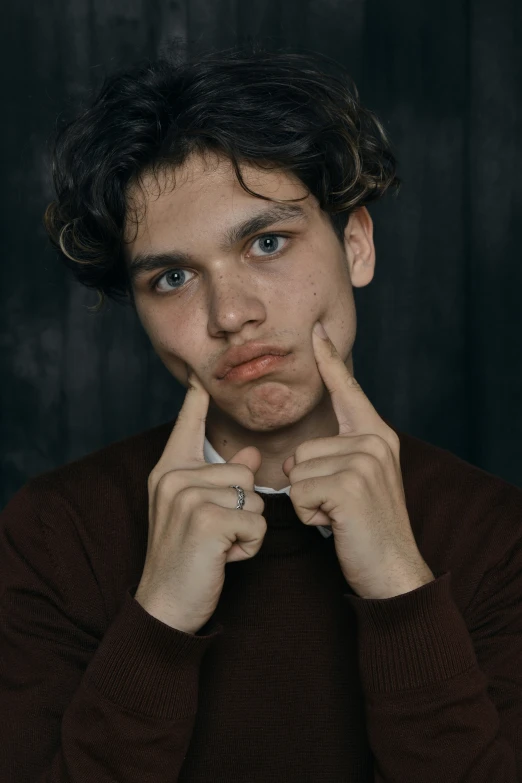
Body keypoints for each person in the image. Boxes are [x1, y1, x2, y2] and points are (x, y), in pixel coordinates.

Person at [1, 42, 521, 783]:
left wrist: (402, 593)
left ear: (356, 244)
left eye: (267, 242)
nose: (231, 314)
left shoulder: (497, 536)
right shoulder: (54, 533)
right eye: (173, 276)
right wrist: (157, 621)